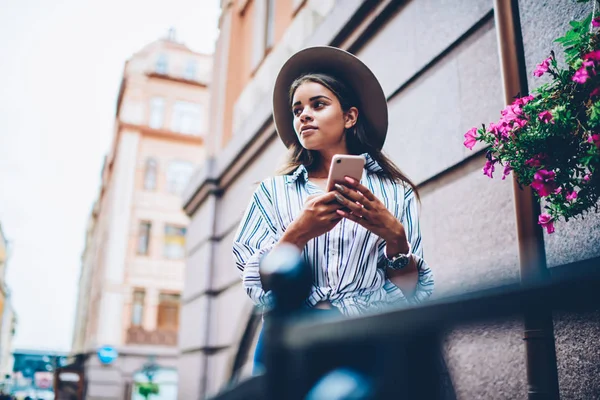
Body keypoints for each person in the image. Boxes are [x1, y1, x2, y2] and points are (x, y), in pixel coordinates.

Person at [232, 46, 434, 373]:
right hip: (292, 338)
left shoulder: (396, 193)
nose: (304, 115)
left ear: (350, 117)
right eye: (297, 109)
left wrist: (394, 236)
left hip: (368, 338)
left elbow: (410, 293)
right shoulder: (271, 192)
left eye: (318, 104)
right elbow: (257, 284)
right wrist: (298, 233)